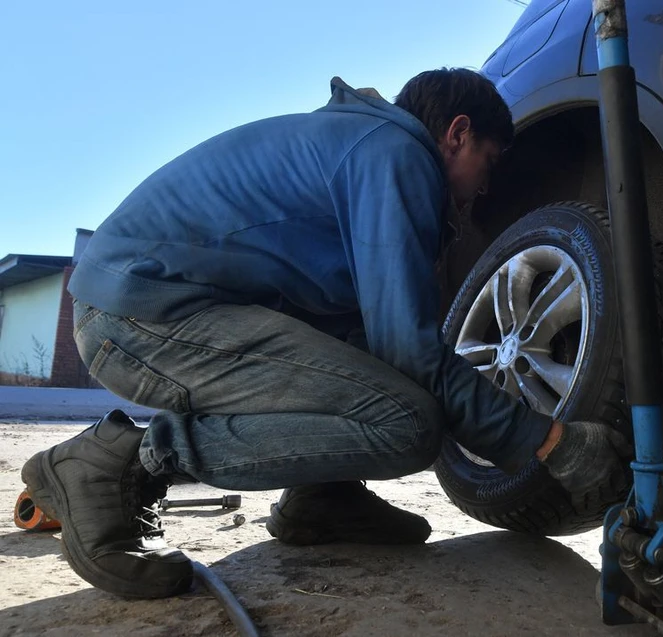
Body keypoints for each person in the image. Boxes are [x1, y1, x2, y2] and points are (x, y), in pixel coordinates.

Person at [21, 68, 629, 600]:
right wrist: (546, 440)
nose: (485, 187)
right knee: (406, 424)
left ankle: (323, 495)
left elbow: (363, 342)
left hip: (155, 305)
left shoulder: (363, 148)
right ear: (458, 132)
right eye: (487, 164)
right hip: (138, 315)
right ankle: (124, 463)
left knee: (372, 366)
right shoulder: (395, 154)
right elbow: (410, 351)